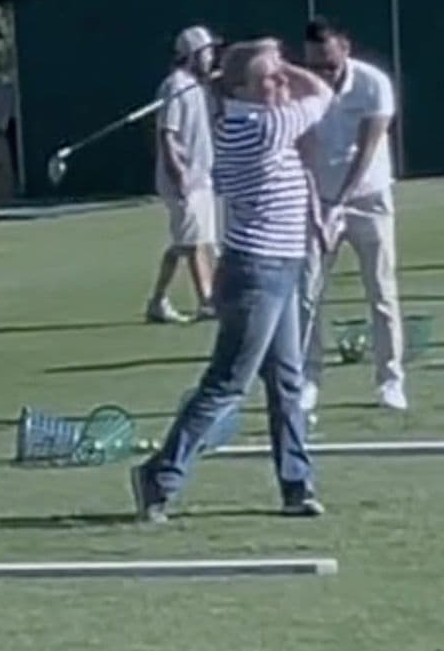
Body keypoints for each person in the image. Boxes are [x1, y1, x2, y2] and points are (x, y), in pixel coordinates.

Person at [130, 37, 333, 522]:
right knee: (228, 383)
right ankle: (159, 476)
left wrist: (268, 65)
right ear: (241, 90)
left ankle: (296, 484)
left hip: (282, 265)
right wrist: (285, 61)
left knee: (286, 381)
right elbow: (323, 94)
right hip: (256, 273)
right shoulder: (260, 126)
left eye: (281, 75)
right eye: (270, 78)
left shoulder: (251, 118)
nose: (282, 82)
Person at [296, 17, 406, 413]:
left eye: (327, 62)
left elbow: (367, 148)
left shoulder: (373, 83)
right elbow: (303, 151)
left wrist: (340, 200)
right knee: (306, 295)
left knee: (380, 291)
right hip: (318, 202)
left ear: (344, 47)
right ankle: (308, 379)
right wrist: (317, 204)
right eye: (313, 64)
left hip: (368, 197)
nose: (322, 71)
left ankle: (390, 380)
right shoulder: (301, 88)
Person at [145, 26, 219, 324]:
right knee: (193, 242)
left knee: (188, 241)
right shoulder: (176, 86)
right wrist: (179, 174)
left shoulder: (197, 86)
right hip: (183, 178)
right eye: (208, 52)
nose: (212, 57)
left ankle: (158, 300)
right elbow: (168, 134)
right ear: (193, 55)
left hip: (202, 175)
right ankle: (207, 302)